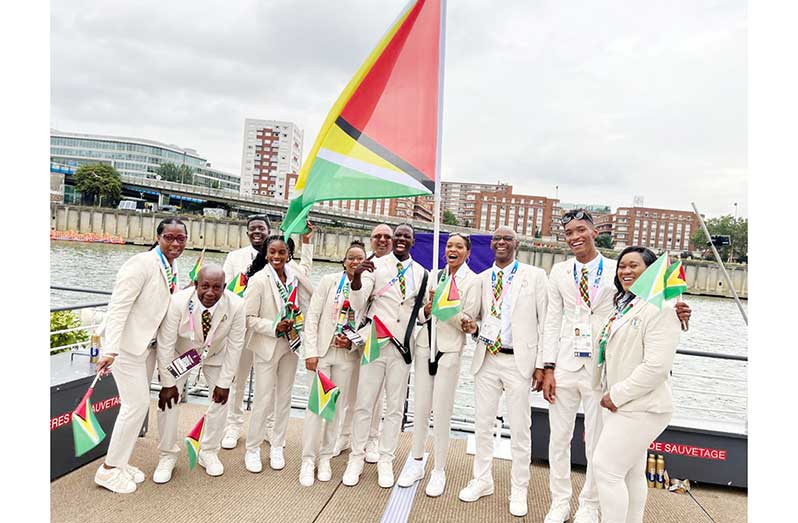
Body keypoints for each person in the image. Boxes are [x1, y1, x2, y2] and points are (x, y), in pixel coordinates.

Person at [540, 209, 691, 523]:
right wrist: (548, 366)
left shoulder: (617, 268)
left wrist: (681, 312)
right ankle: (559, 501)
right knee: (558, 438)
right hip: (566, 363)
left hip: (603, 373)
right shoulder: (558, 272)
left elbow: (656, 304)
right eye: (568, 233)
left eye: (581, 230)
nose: (575, 237)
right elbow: (552, 320)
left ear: (595, 232)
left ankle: (590, 505)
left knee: (599, 443)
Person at [458, 226, 548, 518]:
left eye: (506, 239)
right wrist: (468, 324)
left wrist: (542, 365)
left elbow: (545, 322)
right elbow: (470, 315)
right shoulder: (483, 279)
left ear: (516, 244)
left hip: (519, 362)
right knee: (482, 424)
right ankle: (482, 479)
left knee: (521, 430)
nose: (501, 243)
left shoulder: (534, 277)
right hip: (487, 358)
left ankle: (519, 488)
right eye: (496, 239)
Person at [93, 218, 188, 494]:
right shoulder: (140, 264)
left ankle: (120, 464)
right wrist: (110, 350)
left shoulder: (172, 265)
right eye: (169, 237)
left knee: (137, 408)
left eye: (180, 239)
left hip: (147, 347)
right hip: (126, 349)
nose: (175, 243)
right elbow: (118, 308)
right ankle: (109, 470)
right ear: (158, 237)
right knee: (134, 407)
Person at [590, 246, 682, 523]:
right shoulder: (625, 303)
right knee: (630, 471)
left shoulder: (661, 308)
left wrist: (616, 395)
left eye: (634, 266)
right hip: (622, 403)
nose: (626, 271)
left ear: (651, 271)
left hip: (640, 405)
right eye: (622, 266)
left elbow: (656, 367)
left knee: (605, 469)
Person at [342, 223, 429, 488]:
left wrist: (432, 307)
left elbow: (420, 315)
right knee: (364, 404)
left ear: (413, 241)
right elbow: (358, 304)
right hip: (375, 343)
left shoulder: (422, 273)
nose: (401, 239)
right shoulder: (375, 265)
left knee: (394, 408)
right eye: (397, 235)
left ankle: (386, 459)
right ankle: (355, 458)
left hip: (402, 346)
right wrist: (356, 277)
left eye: (406, 236)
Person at [397, 233, 481, 497]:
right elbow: (421, 313)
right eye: (449, 246)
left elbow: (469, 319)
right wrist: (429, 308)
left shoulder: (474, 281)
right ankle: (417, 462)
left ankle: (439, 469)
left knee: (442, 411)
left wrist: (445, 307)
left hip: (449, 349)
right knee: (420, 408)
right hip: (424, 346)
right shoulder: (434, 275)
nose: (452, 250)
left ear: (467, 252)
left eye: (458, 246)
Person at [221, 217, 315, 450]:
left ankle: (271, 429)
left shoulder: (287, 266)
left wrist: (306, 242)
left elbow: (304, 272)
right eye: (252, 228)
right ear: (247, 232)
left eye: (261, 228)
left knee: (275, 389)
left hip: (280, 340)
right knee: (238, 380)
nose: (256, 231)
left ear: (268, 231)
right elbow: (225, 290)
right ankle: (233, 425)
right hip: (242, 330)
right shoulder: (236, 259)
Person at [153, 264, 246, 482]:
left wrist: (224, 383)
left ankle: (209, 451)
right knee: (168, 401)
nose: (210, 292)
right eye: (205, 286)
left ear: (225, 288)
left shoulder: (237, 305)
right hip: (182, 352)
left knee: (222, 399)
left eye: (217, 287)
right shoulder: (177, 302)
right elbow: (166, 344)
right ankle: (167, 454)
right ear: (196, 284)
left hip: (216, 354)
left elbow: (235, 345)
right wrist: (167, 383)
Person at [243, 233, 313, 473]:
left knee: (284, 397)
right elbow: (249, 319)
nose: (277, 257)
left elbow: (308, 296)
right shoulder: (258, 280)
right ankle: (252, 448)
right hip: (267, 345)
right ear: (265, 253)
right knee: (262, 399)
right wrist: (274, 326)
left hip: (290, 345)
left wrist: (308, 241)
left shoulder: (294, 277)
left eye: (282, 252)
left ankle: (277, 444)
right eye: (272, 252)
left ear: (288, 254)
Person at [299, 241, 367, 486]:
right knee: (316, 408)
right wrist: (311, 351)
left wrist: (353, 343)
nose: (355, 262)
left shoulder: (366, 287)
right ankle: (308, 459)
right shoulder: (329, 281)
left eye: (360, 258)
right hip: (323, 354)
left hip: (346, 355)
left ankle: (326, 457)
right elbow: (313, 316)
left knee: (335, 410)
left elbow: (367, 323)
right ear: (344, 260)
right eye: (351, 257)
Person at [334, 223, 393, 461]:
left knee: (375, 395)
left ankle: (372, 439)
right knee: (350, 392)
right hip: (351, 338)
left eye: (386, 236)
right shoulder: (363, 268)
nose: (381, 240)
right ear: (371, 240)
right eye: (376, 236)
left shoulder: (399, 269)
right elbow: (355, 303)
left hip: (378, 339)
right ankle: (344, 434)